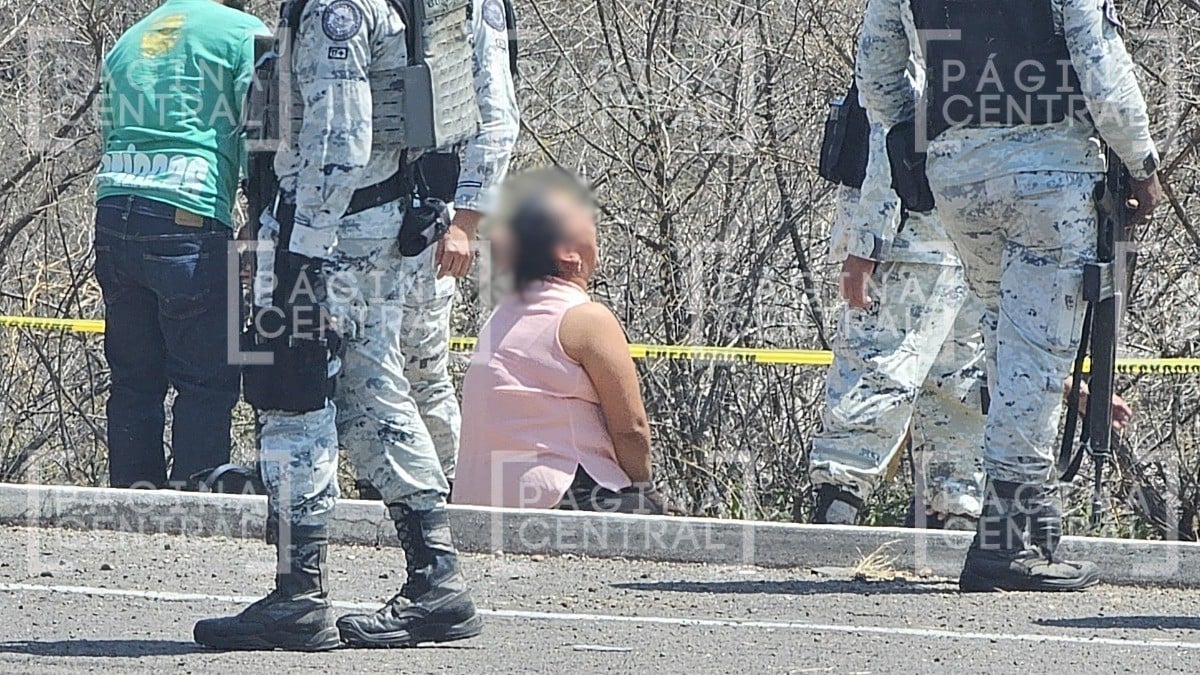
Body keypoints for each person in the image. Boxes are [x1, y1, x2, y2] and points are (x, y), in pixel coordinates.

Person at [193, 0, 484, 650]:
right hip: (383, 225)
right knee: (373, 395)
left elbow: (337, 137)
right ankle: (436, 578)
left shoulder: (334, 9)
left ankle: (299, 595)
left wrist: (301, 247)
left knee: (293, 400)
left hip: (329, 233)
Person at [857, 0, 1161, 591]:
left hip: (956, 173)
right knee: (1037, 355)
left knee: (1006, 332)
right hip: (1049, 172)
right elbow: (1100, 63)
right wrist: (1141, 161)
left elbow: (876, 62)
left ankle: (1037, 522)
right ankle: (1006, 543)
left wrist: (908, 132)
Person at [93, 0, 267, 490]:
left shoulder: (130, 38)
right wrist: (258, 222)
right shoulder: (243, 34)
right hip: (187, 214)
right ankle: (196, 497)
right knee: (206, 379)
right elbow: (265, 135)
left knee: (133, 379)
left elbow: (109, 132)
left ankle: (131, 502)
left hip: (114, 209)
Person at [356, 0, 520, 500]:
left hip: (431, 217)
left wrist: (466, 220)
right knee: (367, 366)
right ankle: (382, 484)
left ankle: (449, 494)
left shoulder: (468, 8)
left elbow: (496, 119)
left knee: (421, 368)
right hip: (361, 214)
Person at [452, 169, 675, 515]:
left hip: (477, 500)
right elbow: (632, 429)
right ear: (568, 251)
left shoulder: (500, 318)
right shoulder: (587, 319)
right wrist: (645, 491)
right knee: (651, 515)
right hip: (551, 498)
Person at [811, 108, 989, 530]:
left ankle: (842, 506)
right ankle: (955, 511)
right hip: (972, 216)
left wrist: (867, 241)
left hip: (914, 225)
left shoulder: (914, 39)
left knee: (880, 367)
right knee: (957, 374)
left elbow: (890, 120)